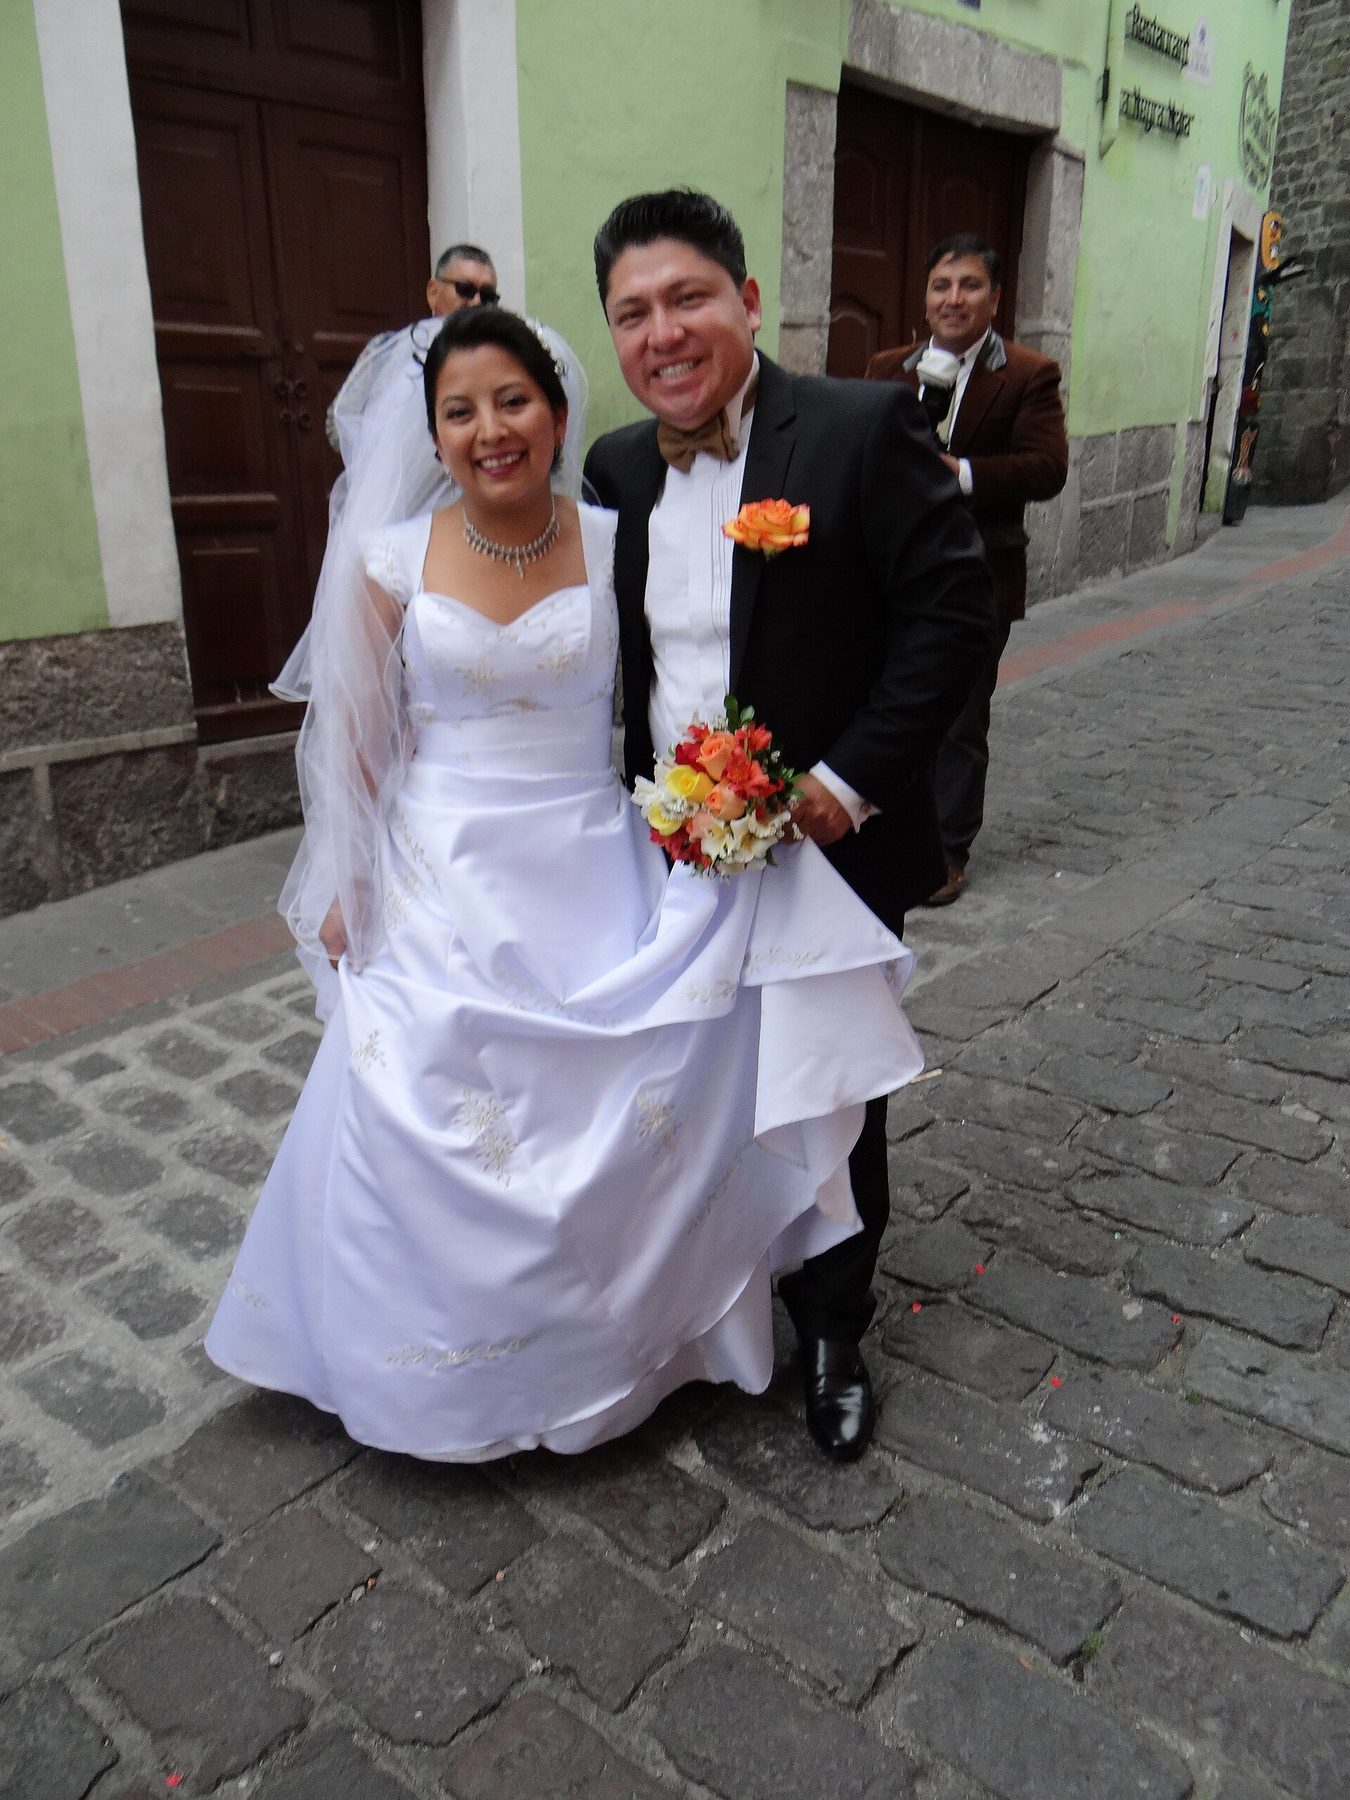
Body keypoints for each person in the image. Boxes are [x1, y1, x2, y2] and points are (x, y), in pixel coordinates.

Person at [205, 304, 926, 1464]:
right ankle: (450, 1366)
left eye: (513, 401)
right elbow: (358, 743)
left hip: (593, 853)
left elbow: (688, 660)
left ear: (554, 407)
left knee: (653, 1084)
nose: (491, 430)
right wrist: (348, 880)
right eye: (460, 411)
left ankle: (676, 1328)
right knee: (426, 1109)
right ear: (431, 434)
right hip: (444, 867)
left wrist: (739, 788)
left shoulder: (613, 531)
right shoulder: (389, 561)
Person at [584, 190, 996, 1460]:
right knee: (690, 1091)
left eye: (688, 298)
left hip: (826, 842)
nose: (665, 332)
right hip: (677, 851)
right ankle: (707, 1309)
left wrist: (844, 781)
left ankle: (832, 1328)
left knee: (829, 1091)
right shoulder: (612, 467)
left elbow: (952, 617)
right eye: (632, 313)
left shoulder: (862, 429)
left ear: (748, 303)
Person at [866, 233, 1068, 905]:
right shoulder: (886, 370)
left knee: (958, 715)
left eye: (969, 285)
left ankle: (949, 850)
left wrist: (963, 475)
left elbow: (1047, 468)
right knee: (885, 703)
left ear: (996, 297)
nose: (954, 299)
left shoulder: (1028, 374)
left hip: (978, 576)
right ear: (925, 298)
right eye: (941, 286)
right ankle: (884, 828)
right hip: (892, 575)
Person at [325, 242, 499, 454]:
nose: (476, 303)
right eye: (465, 290)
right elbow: (338, 425)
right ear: (433, 292)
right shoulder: (387, 350)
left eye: (488, 296)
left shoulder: (499, 356)